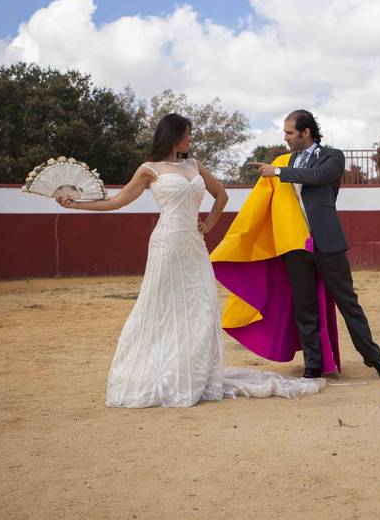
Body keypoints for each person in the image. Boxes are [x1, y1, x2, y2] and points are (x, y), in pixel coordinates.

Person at [58, 113, 324, 407]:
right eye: (186, 134)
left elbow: (221, 195)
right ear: (172, 135)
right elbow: (117, 202)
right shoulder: (149, 169)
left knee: (202, 308)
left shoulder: (193, 165)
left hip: (194, 247)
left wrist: (209, 224)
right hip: (167, 244)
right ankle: (163, 374)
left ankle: (196, 376)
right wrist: (77, 205)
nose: (190, 139)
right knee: (162, 306)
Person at [250, 110, 380, 381]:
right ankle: (313, 364)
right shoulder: (286, 160)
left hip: (327, 243)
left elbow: (317, 175)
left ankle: (375, 359)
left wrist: (279, 171)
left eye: (290, 133)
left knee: (348, 303)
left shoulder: (332, 156)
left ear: (306, 132)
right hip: (296, 246)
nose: (285, 138)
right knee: (304, 308)